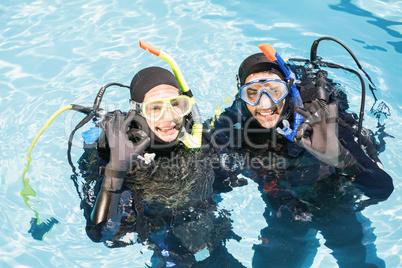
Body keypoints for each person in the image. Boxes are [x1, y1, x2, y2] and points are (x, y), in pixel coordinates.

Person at [211, 50, 394, 267]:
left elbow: (381, 189)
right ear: (241, 96)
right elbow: (210, 175)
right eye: (253, 93)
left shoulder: (322, 119)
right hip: (283, 204)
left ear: (288, 89)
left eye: (274, 90)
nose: (264, 103)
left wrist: (342, 159)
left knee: (357, 259)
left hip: (334, 202)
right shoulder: (232, 123)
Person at [78, 66, 244, 268]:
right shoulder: (115, 153)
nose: (169, 117)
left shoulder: (198, 139)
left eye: (176, 104)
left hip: (207, 234)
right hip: (162, 243)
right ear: (137, 110)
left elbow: (226, 179)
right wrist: (116, 169)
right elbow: (100, 233)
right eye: (155, 108)